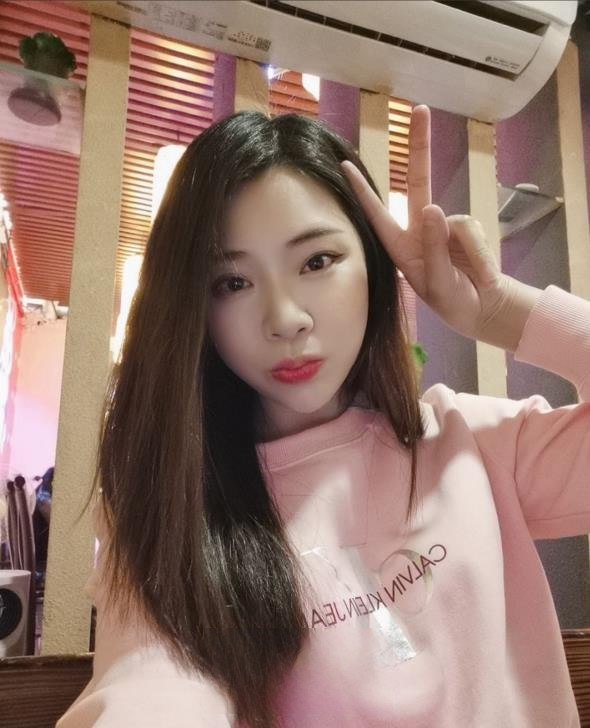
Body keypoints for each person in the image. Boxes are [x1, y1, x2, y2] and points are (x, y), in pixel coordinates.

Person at [56, 105, 589, 728]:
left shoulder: (472, 442)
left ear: (374, 267)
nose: (285, 318)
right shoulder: (174, 505)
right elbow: (150, 687)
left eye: (316, 262)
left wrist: (500, 312)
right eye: (231, 283)